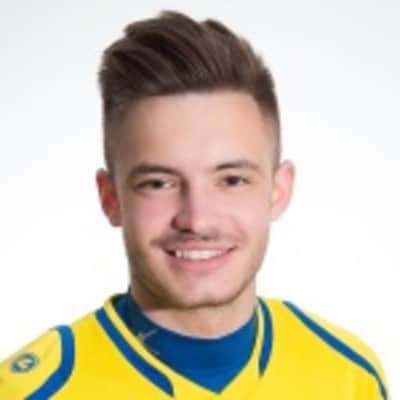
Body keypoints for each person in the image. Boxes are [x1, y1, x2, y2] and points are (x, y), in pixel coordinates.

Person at [0, 10, 389, 399]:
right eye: (159, 183)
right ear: (111, 198)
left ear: (278, 190)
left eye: (232, 180)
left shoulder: (350, 378)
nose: (198, 219)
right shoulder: (29, 392)